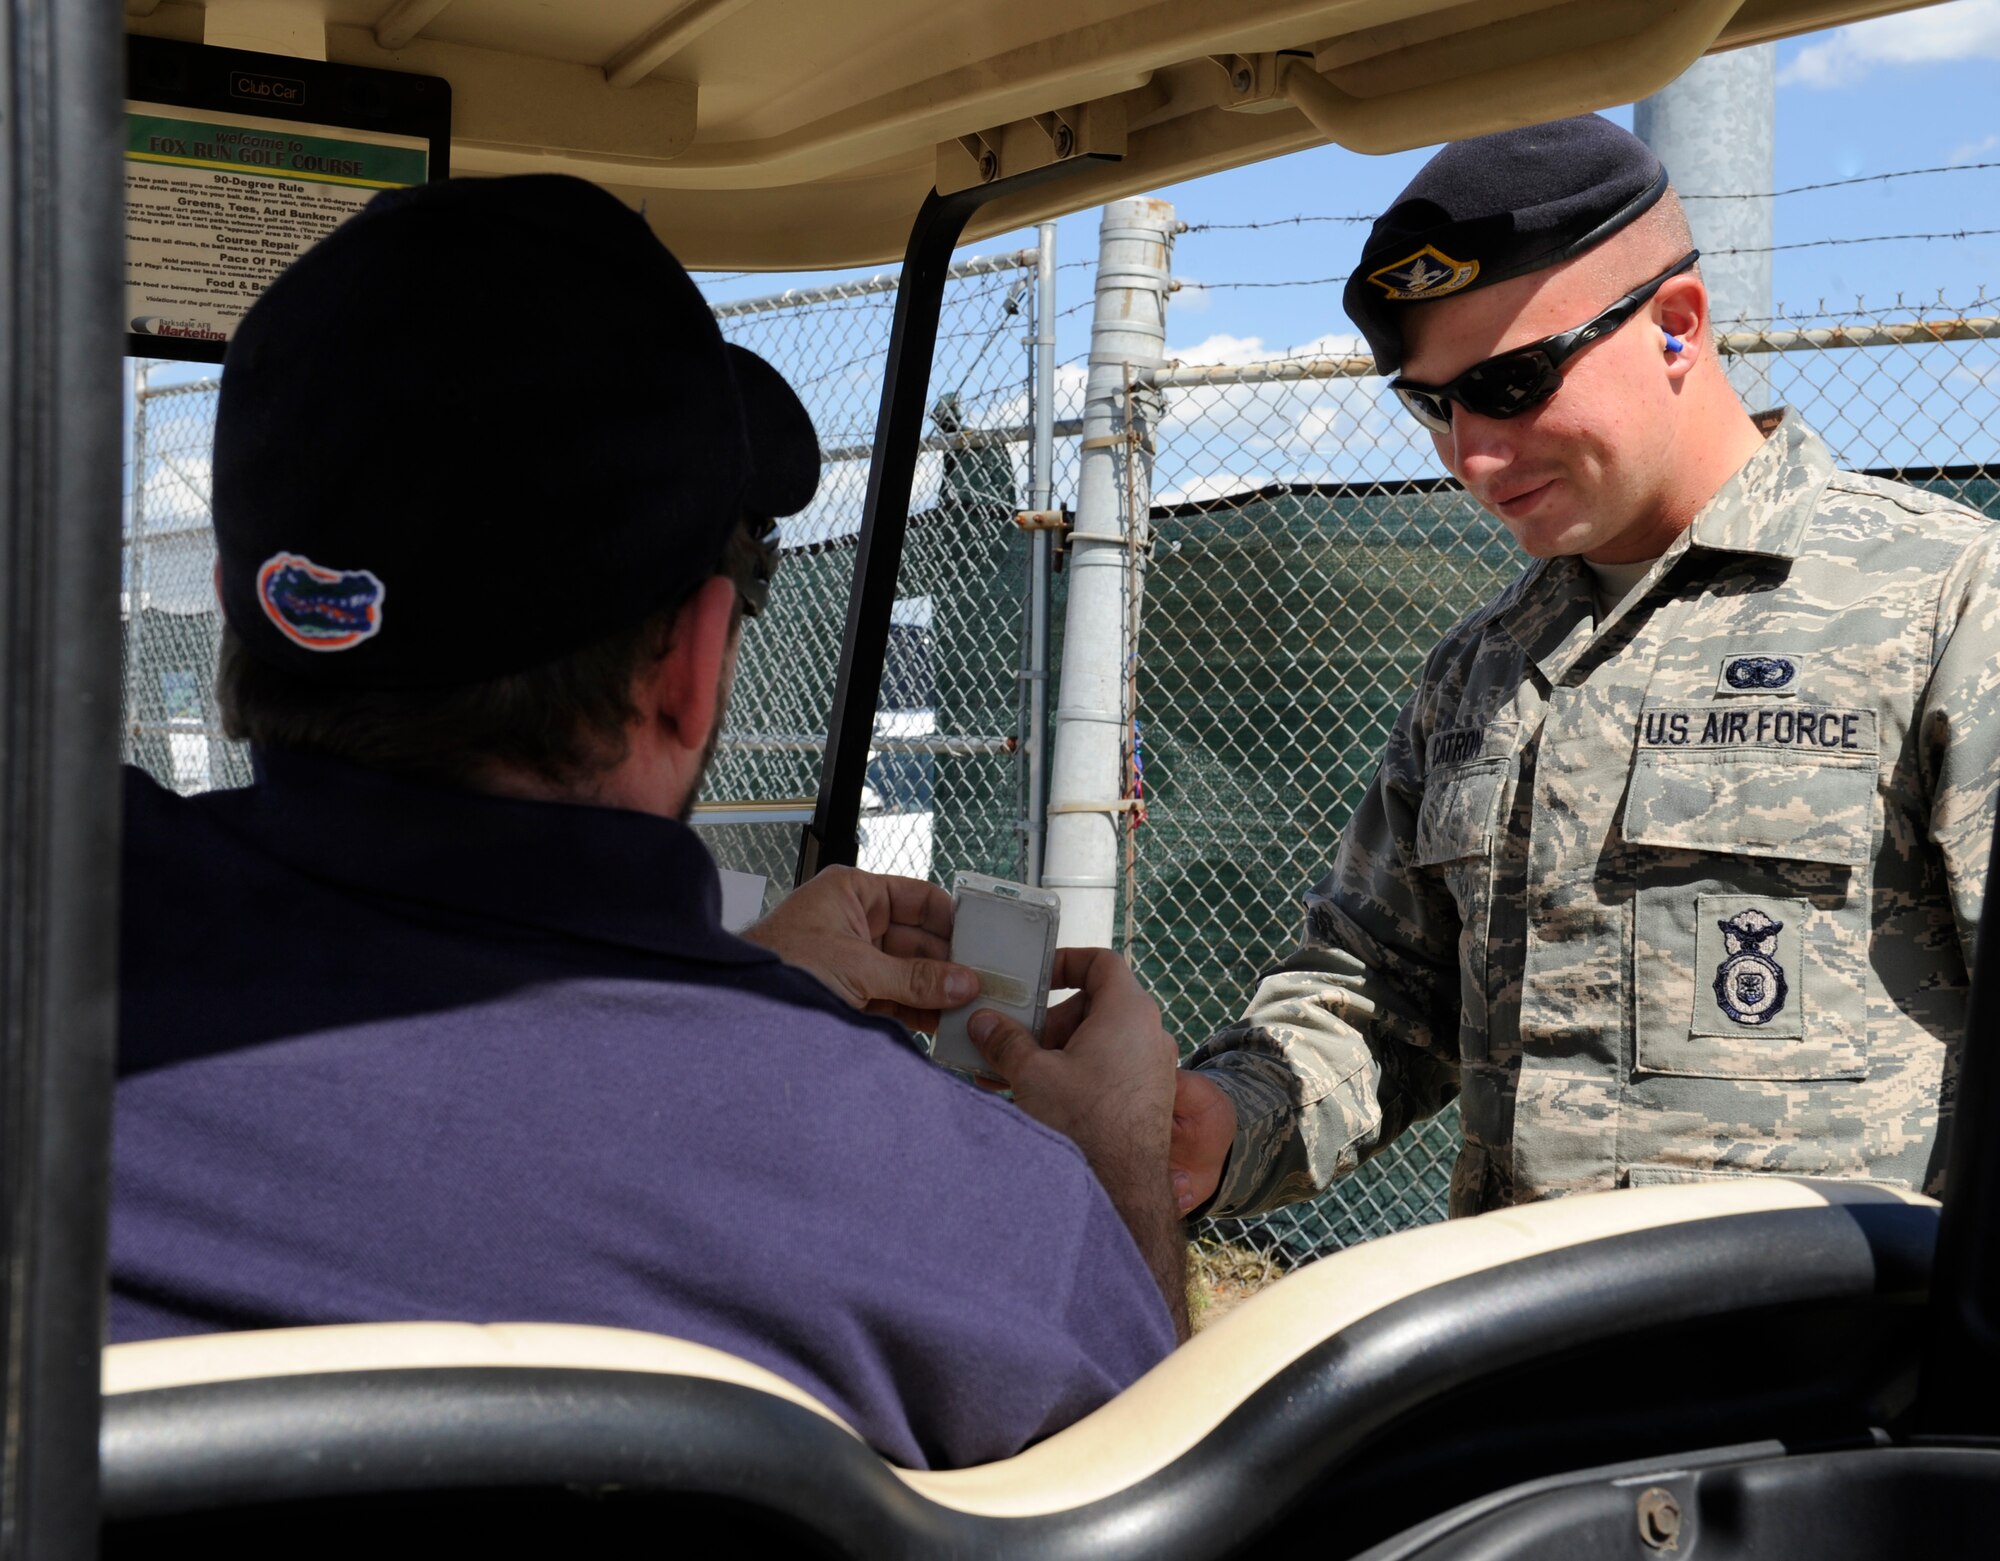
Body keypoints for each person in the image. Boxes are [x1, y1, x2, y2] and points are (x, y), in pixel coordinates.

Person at [110, 172, 1185, 1473]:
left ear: (239, 601)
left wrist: (738, 990)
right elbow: (1159, 1499)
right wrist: (1123, 1184)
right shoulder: (987, 1234)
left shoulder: (57, 952)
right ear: (690, 664)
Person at [1169, 115, 2000, 1223]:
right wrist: (1213, 1125)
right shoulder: (1479, 669)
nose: (1470, 451)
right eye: (1432, 402)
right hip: (1527, 1362)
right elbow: (1382, 991)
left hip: (1835, 1375)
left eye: (1512, 383)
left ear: (1674, 325)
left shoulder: (1943, 602)